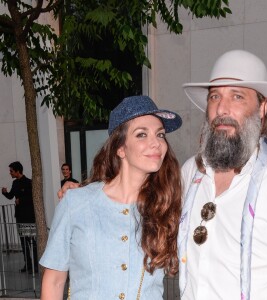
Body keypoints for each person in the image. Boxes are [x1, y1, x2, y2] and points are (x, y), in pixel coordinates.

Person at [178, 49, 267, 300]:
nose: (222, 107)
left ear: (262, 108)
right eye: (214, 96)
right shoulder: (191, 171)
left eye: (237, 97)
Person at [40, 95, 182, 299]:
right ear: (121, 148)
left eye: (160, 135)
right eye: (142, 134)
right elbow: (54, 281)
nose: (156, 143)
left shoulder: (168, 206)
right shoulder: (76, 203)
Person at [2, 161, 38, 273]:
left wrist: (20, 200)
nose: (10, 173)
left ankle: (36, 265)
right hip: (19, 216)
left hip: (28, 216)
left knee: (31, 241)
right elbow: (11, 196)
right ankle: (27, 264)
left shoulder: (29, 182)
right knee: (23, 242)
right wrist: (5, 193)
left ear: (18, 171)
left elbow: (32, 198)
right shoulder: (15, 183)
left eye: (11, 171)